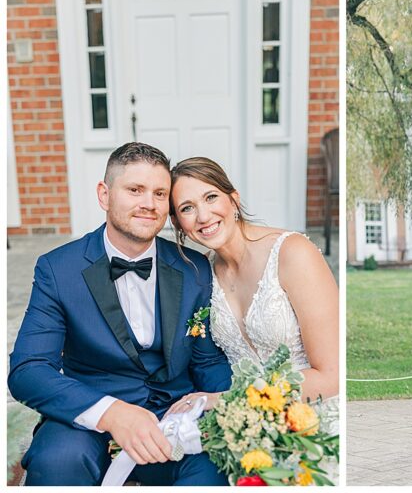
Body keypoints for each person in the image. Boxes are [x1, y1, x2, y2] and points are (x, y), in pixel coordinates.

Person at [8, 142, 232, 485]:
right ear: (104, 194)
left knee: (219, 465)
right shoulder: (58, 269)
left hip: (176, 416)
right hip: (88, 419)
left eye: (160, 193)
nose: (149, 204)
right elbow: (28, 369)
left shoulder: (195, 269)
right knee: (57, 461)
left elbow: (206, 362)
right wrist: (111, 413)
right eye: (135, 190)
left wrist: (242, 408)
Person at [163, 157, 339, 438]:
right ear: (177, 222)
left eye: (211, 197)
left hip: (314, 417)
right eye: (187, 208)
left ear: (233, 199)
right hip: (247, 428)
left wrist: (223, 400)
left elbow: (331, 376)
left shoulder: (292, 254)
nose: (204, 216)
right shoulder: (202, 275)